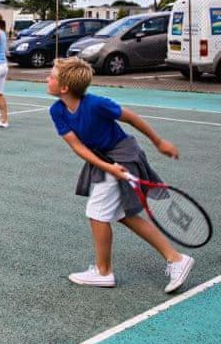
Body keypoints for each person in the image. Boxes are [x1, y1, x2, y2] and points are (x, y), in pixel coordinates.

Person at [47, 57, 194, 292]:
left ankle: (104, 272)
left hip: (125, 154)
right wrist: (109, 168)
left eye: (51, 76)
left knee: (97, 213)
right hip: (106, 160)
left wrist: (159, 142)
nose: (47, 79)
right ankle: (176, 258)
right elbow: (78, 147)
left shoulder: (96, 104)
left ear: (64, 87)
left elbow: (131, 118)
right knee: (124, 215)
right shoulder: (57, 111)